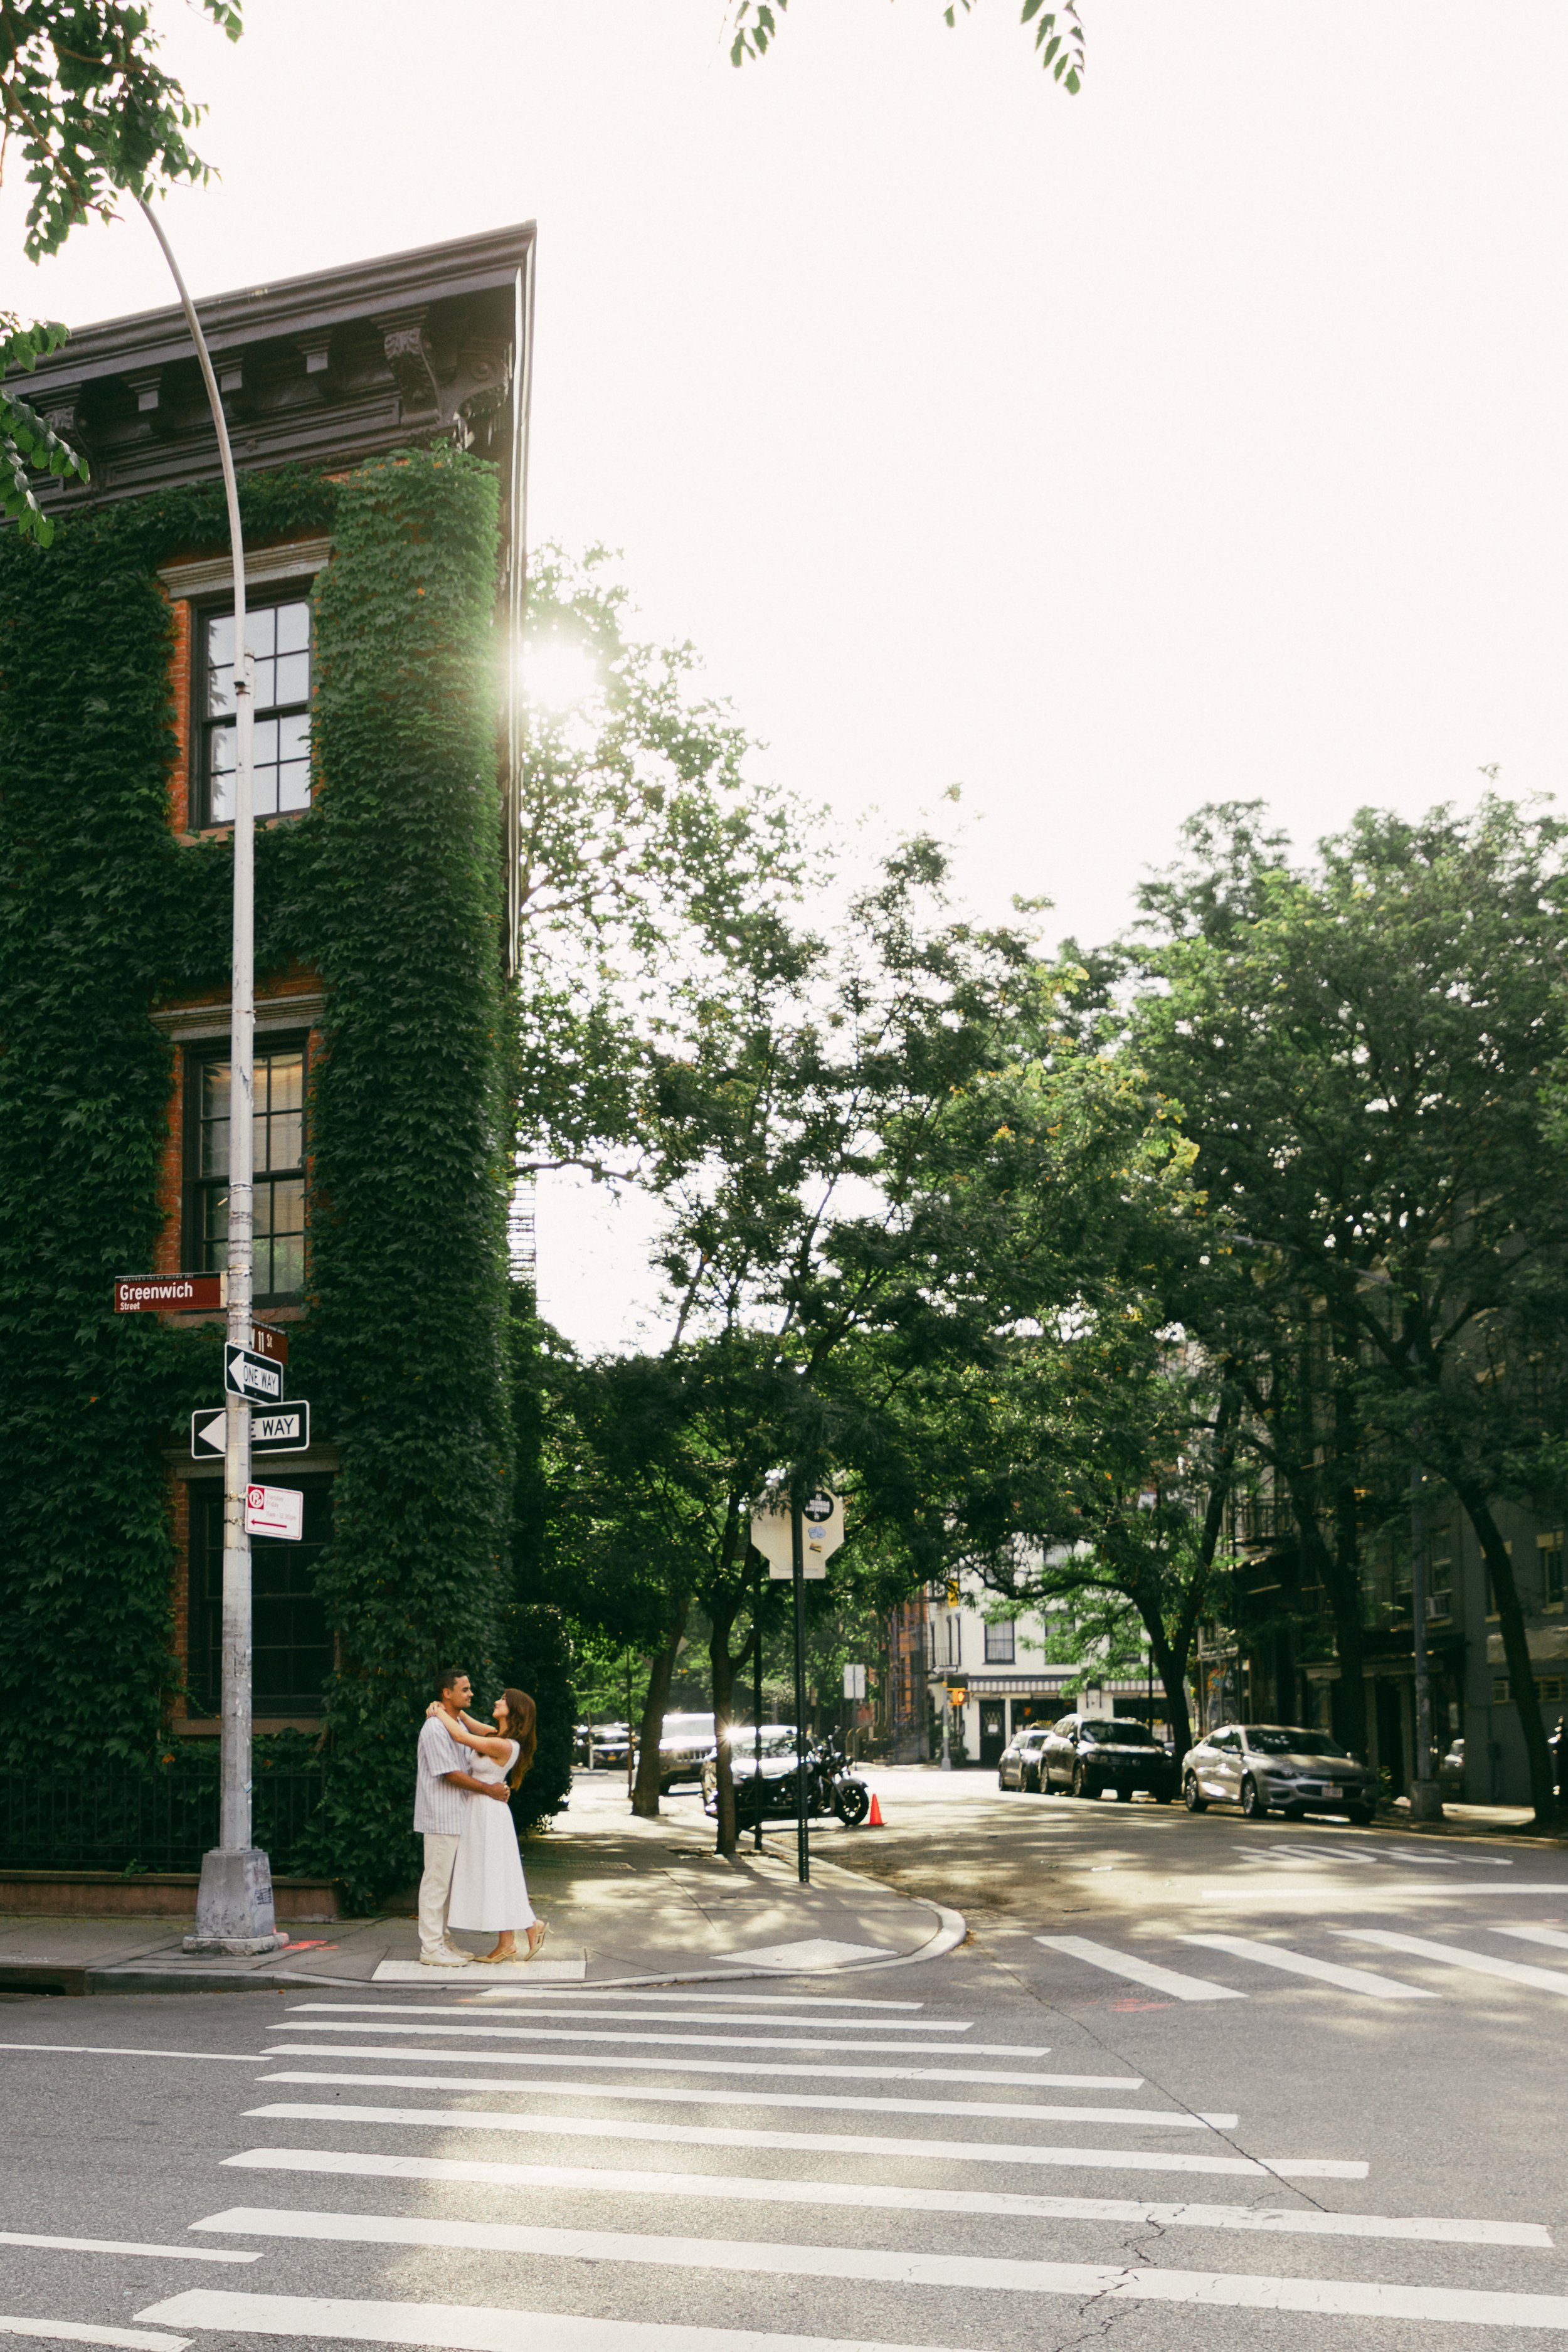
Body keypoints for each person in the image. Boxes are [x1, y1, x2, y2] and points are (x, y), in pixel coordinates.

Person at [435, 1686, 548, 1964]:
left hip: (489, 1814)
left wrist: (437, 1711)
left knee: (496, 1874)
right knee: (495, 1875)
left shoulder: (505, 1745)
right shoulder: (495, 1735)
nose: (497, 1701)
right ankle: (509, 1941)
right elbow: (465, 1721)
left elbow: (460, 1735)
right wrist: (445, 1706)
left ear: (515, 1710)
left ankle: (528, 1928)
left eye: (503, 1700)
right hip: (480, 1811)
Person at [413, 1666, 515, 1968]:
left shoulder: (454, 1724)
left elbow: (475, 1750)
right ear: (447, 1693)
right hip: (441, 1816)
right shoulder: (434, 1727)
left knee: (446, 1885)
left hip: (458, 1816)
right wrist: (489, 1789)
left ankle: (441, 1940)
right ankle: (430, 1947)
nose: (471, 1694)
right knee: (435, 1883)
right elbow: (450, 1774)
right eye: (465, 1689)